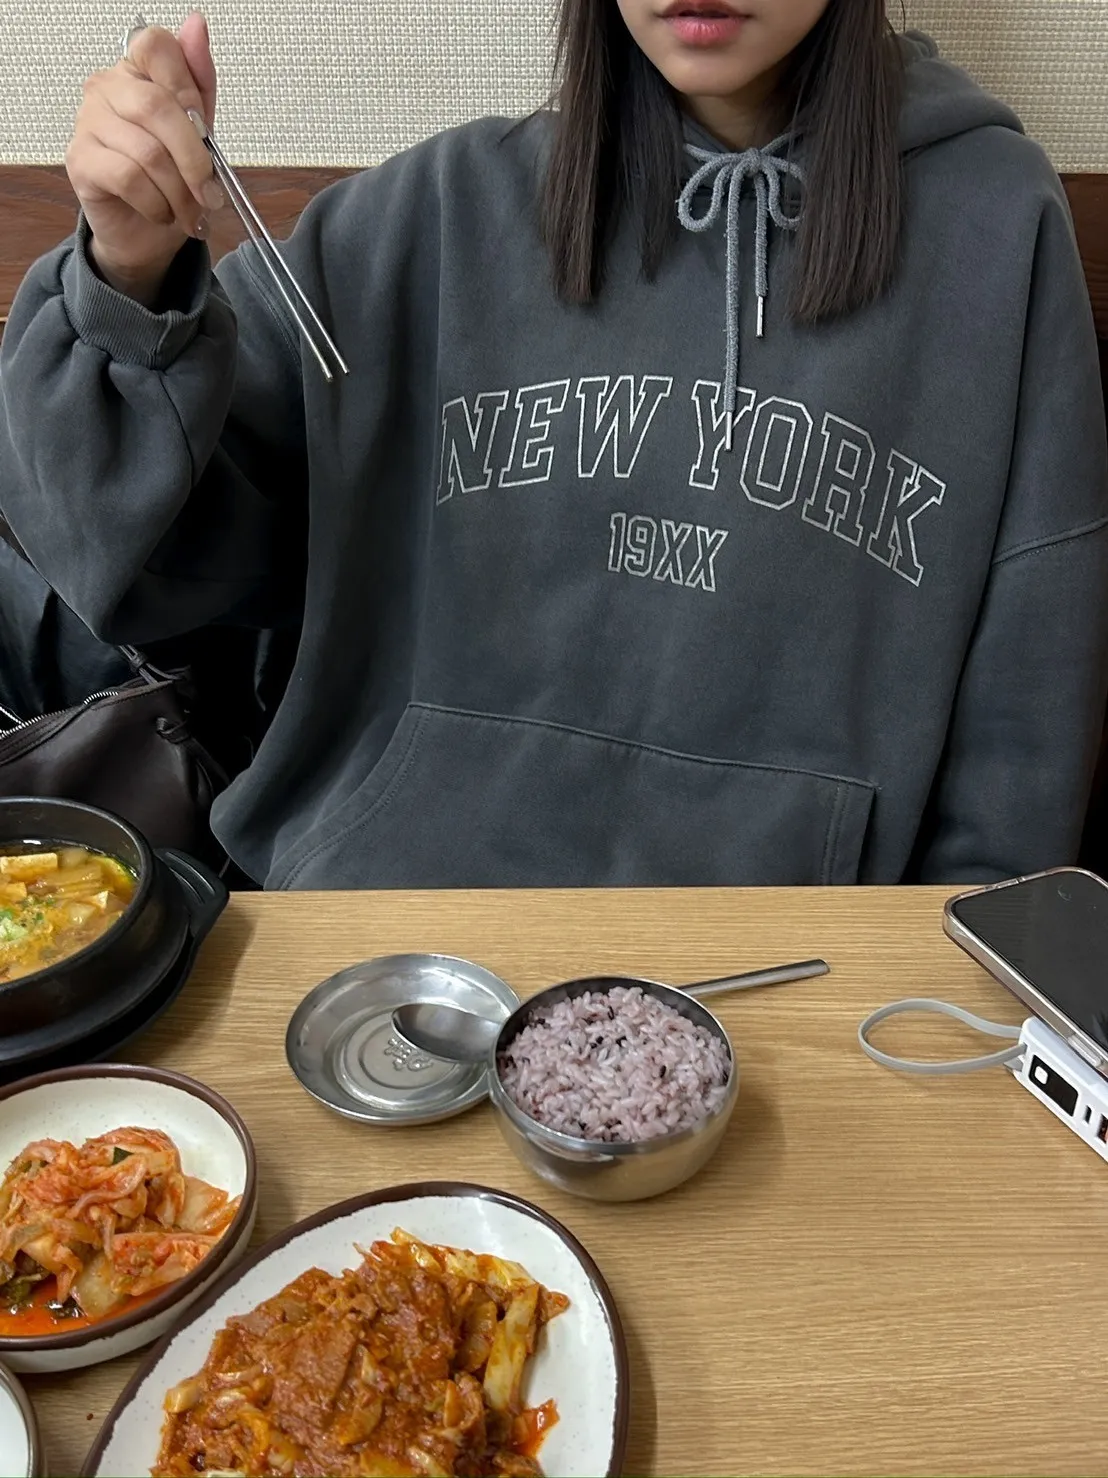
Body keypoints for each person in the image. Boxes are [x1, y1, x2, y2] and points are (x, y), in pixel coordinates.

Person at [1, 0, 1106, 890]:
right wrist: (128, 272)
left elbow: (1027, 719)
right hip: (379, 953)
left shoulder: (993, 226)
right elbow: (127, 559)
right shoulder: (432, 219)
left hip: (786, 986)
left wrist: (941, 1003)